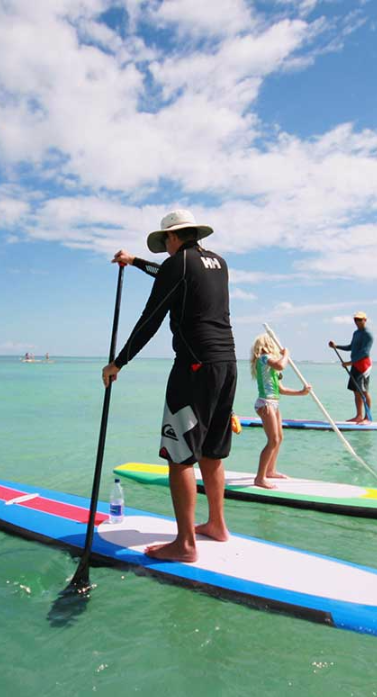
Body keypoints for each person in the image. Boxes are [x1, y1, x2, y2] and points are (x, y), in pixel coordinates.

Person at [102, 209, 236, 563]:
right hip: (227, 365)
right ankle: (217, 525)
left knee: (179, 457)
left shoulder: (178, 264)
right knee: (212, 452)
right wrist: (134, 261)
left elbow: (151, 318)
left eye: (166, 243)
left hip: (193, 368)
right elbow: (167, 273)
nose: (166, 249)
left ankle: (185, 544)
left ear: (173, 237)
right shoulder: (218, 263)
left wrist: (119, 362)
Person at [250, 334, 310, 489]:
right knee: (273, 440)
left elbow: (281, 389)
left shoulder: (271, 366)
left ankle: (270, 471)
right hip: (265, 403)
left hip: (274, 403)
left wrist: (301, 392)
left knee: (279, 438)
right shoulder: (263, 359)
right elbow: (281, 365)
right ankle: (259, 478)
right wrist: (287, 354)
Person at [329, 311, 373, 424]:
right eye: (355, 319)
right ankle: (359, 416)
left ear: (365, 320)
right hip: (355, 365)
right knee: (356, 391)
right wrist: (336, 346)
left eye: (359, 319)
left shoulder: (368, 334)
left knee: (363, 391)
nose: (357, 321)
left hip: (364, 366)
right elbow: (351, 347)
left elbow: (364, 352)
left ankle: (368, 418)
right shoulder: (356, 333)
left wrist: (349, 363)